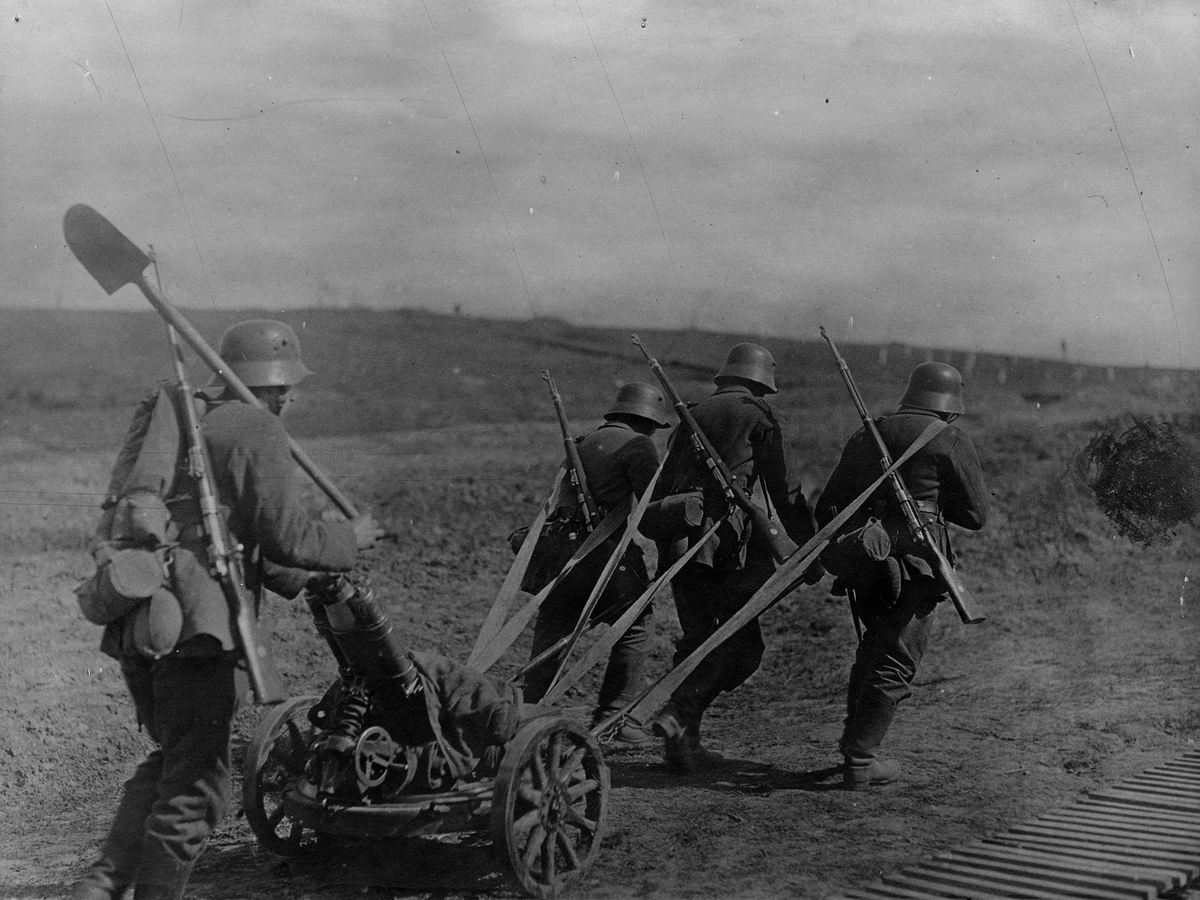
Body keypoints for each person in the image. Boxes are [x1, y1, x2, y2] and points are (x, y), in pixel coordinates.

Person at [71, 320, 382, 900]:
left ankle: (102, 885)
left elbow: (237, 535)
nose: (292, 397)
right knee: (197, 785)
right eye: (287, 385)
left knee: (174, 759)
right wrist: (350, 539)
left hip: (142, 617)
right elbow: (286, 534)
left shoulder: (188, 421)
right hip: (202, 630)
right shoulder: (254, 426)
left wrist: (302, 579)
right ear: (274, 384)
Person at [647, 343, 820, 773]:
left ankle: (683, 745)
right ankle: (679, 711)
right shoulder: (759, 415)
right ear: (762, 381)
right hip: (725, 547)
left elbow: (662, 486)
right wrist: (810, 549)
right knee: (741, 647)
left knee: (697, 639)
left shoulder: (691, 415)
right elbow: (786, 494)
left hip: (679, 544)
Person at [816, 361, 987, 790]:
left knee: (872, 649)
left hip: (868, 562)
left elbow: (830, 506)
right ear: (950, 403)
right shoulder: (949, 439)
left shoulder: (868, 433)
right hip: (916, 567)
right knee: (895, 659)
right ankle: (860, 761)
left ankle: (853, 744)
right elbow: (975, 515)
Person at [522, 382, 670, 743]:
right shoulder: (640, 445)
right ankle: (615, 718)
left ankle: (530, 714)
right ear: (647, 420)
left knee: (555, 626)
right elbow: (652, 511)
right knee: (635, 624)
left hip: (560, 556)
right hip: (604, 554)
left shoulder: (583, 441)